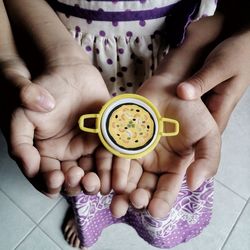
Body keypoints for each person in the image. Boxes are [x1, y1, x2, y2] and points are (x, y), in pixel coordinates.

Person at [1, 0, 248, 249]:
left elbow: (218, 8)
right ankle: (85, 214)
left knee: (149, 180)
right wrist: (54, 57)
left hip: (170, 72)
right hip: (68, 77)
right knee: (83, 176)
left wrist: (175, 74)